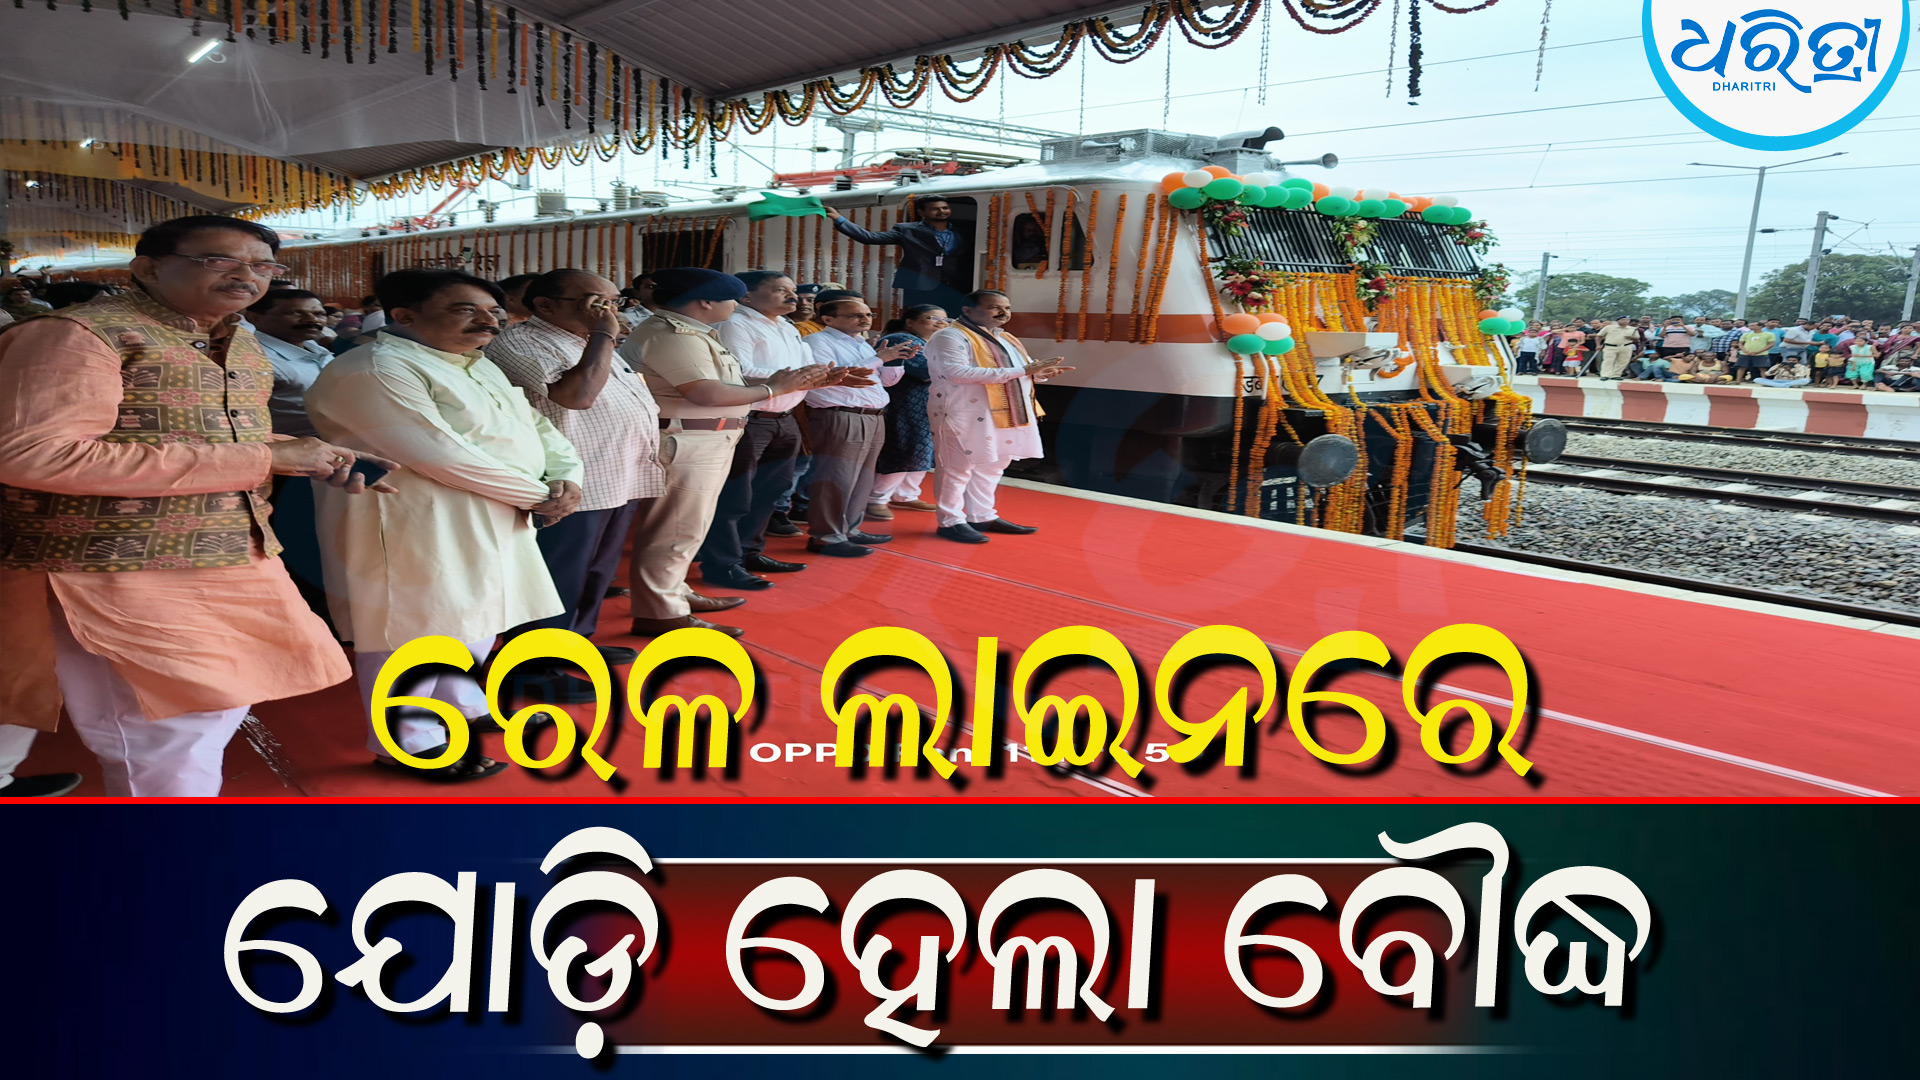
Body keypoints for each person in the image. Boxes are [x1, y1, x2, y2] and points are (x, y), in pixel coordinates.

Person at [0, 215, 387, 797]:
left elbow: (216, 437)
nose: (247, 275)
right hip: (111, 561)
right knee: (169, 725)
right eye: (219, 260)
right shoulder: (78, 335)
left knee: (204, 710)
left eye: (263, 265)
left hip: (232, 550)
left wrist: (308, 455)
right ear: (148, 268)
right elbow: (35, 455)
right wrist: (264, 459)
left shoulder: (238, 339)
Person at [306, 269, 582, 782]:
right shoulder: (375, 368)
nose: (488, 321)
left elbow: (538, 426)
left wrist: (566, 476)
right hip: (414, 518)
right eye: (465, 309)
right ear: (404, 315)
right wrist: (540, 495)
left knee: (477, 615)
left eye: (494, 311)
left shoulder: (476, 363)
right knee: (412, 629)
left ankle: (464, 703)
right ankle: (406, 740)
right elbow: (438, 454)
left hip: (495, 509)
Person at [620, 268, 836, 636]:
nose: (736, 305)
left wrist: (801, 381)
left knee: (689, 528)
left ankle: (674, 592)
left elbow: (727, 382)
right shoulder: (671, 335)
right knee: (674, 530)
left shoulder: (694, 332)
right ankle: (660, 612)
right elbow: (707, 393)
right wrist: (774, 389)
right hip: (685, 440)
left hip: (704, 439)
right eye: (731, 299)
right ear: (706, 301)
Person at [484, 269, 660, 698]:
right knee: (556, 578)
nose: (609, 311)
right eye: (597, 302)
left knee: (595, 573)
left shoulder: (591, 339)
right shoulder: (521, 341)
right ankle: (531, 672)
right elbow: (576, 396)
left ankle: (573, 646)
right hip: (570, 482)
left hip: (616, 473)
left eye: (613, 302)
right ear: (545, 305)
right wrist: (604, 333)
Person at [698, 271, 818, 591]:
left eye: (793, 291)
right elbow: (739, 371)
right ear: (746, 296)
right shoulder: (735, 324)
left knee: (770, 491)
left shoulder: (787, 327)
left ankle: (749, 553)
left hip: (784, 416)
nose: (792, 297)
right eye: (780, 290)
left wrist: (825, 376)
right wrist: (799, 378)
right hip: (750, 417)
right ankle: (722, 564)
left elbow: (807, 370)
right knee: (737, 494)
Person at [923, 290, 1072, 543]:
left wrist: (1040, 373)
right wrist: (1024, 370)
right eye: (995, 307)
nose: (1004, 313)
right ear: (968, 310)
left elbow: (1021, 371)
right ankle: (950, 521)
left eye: (1007, 308)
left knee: (993, 464)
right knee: (956, 468)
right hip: (962, 412)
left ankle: (981, 516)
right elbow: (956, 372)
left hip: (1003, 412)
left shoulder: (1006, 337)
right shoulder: (950, 336)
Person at [249, 288, 339, 619]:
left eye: (317, 313)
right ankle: (305, 612)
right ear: (255, 316)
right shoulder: (257, 357)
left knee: (325, 539)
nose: (311, 320)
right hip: (287, 465)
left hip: (325, 457)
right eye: (296, 313)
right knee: (297, 541)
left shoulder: (317, 350)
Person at [802, 296, 916, 557]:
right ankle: (826, 536)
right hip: (840, 414)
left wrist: (895, 360)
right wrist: (878, 357)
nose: (865, 319)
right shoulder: (817, 342)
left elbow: (886, 382)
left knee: (863, 477)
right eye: (855, 315)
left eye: (867, 314)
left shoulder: (862, 343)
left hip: (873, 414)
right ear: (828, 319)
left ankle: (849, 529)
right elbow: (831, 375)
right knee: (837, 476)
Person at [868, 305, 949, 518]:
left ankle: (905, 495)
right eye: (933, 318)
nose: (941, 323)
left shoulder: (931, 343)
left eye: (945, 319)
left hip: (925, 407)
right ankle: (877, 499)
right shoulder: (901, 339)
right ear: (910, 322)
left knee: (924, 450)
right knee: (905, 450)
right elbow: (925, 371)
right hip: (904, 406)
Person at [826, 196, 973, 311]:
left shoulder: (963, 230)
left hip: (955, 285)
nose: (941, 212)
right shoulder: (907, 230)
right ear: (922, 213)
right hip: (920, 285)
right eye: (935, 209)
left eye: (945, 208)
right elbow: (869, 238)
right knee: (923, 318)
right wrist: (839, 219)